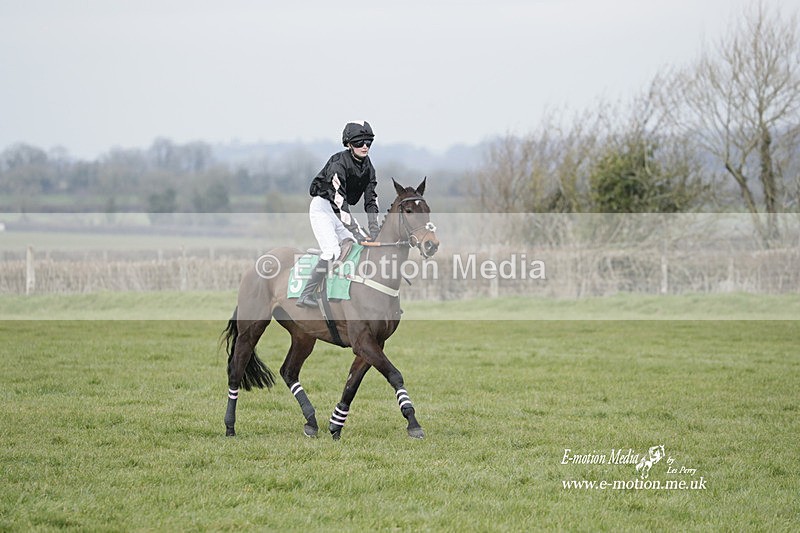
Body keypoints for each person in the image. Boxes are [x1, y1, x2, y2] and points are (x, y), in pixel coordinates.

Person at [296, 120, 381, 308]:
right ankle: (306, 294)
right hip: (324, 209)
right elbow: (339, 203)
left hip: (341, 212)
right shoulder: (338, 163)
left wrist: (374, 230)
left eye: (368, 142)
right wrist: (357, 232)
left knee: (364, 247)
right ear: (349, 144)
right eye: (359, 142)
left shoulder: (368, 167)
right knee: (332, 252)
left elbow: (371, 200)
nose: (365, 146)